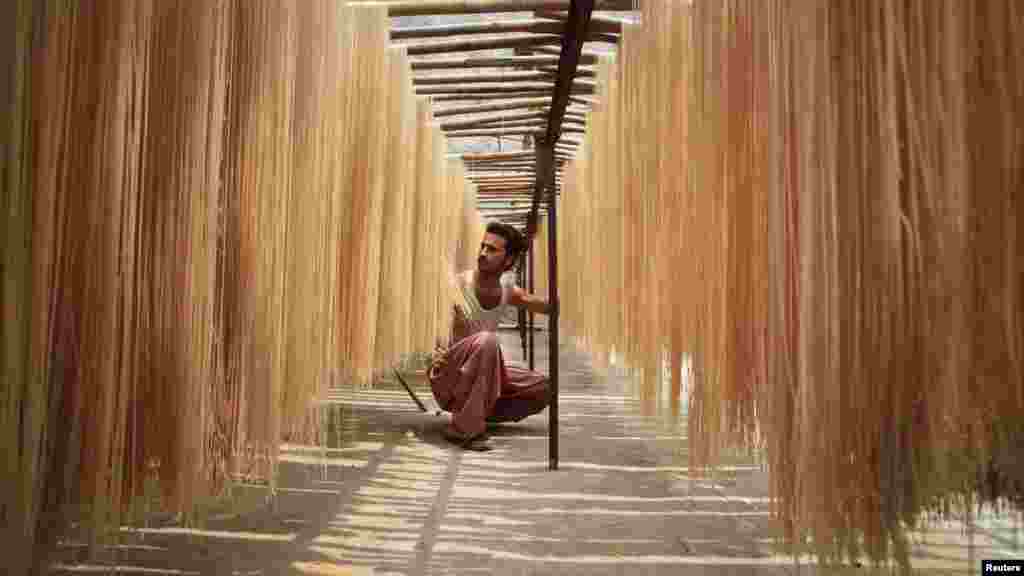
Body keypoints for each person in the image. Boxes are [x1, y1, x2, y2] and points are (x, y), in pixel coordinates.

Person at [429, 222, 557, 451]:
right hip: (450, 378)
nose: (482, 254)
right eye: (483, 247)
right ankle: (463, 429)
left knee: (542, 388)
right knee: (487, 340)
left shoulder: (507, 290)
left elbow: (546, 306)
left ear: (508, 260)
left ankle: (476, 411)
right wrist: (434, 351)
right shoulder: (457, 286)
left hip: (482, 376)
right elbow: (430, 325)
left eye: (492, 250)